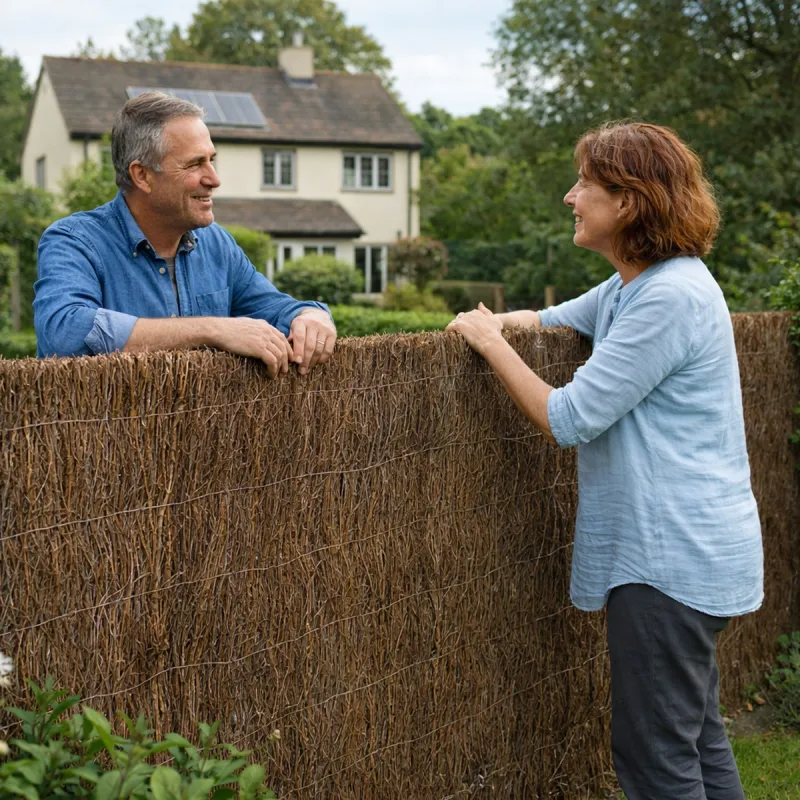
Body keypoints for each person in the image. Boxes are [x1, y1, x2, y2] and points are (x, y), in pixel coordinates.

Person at [447, 122, 762, 800]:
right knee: (696, 737)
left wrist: (487, 343)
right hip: (686, 551)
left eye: (584, 184)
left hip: (670, 561)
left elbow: (569, 417)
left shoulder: (668, 297)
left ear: (628, 201)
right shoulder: (632, 288)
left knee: (655, 756)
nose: (570, 197)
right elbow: (549, 319)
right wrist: (504, 323)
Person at [34, 91, 336, 377]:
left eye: (211, 160)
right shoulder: (74, 241)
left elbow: (276, 309)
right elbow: (64, 333)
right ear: (143, 175)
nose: (214, 179)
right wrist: (213, 330)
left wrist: (312, 316)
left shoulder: (217, 244)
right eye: (194, 164)